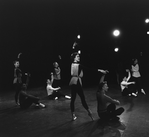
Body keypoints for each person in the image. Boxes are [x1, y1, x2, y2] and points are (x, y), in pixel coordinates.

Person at [69, 51, 107, 121]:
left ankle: (73, 115)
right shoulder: (78, 65)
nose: (79, 57)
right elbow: (89, 69)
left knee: (73, 100)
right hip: (77, 82)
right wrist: (100, 70)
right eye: (77, 56)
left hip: (72, 82)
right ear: (74, 58)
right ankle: (89, 112)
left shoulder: (72, 64)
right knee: (82, 99)